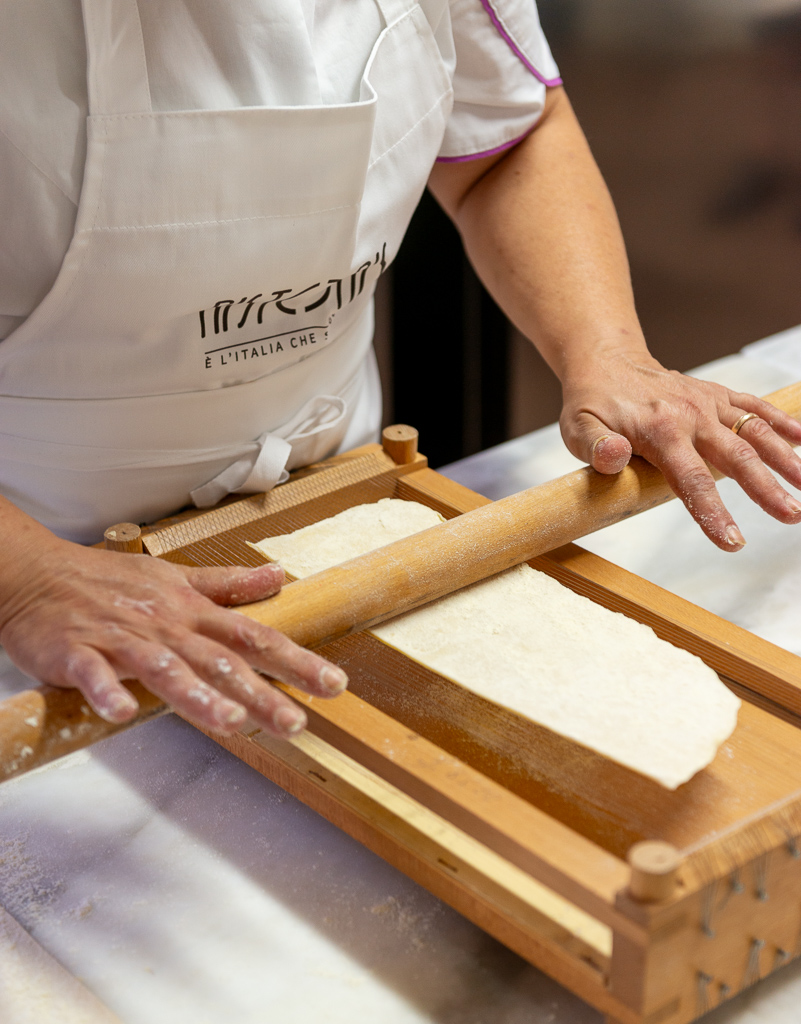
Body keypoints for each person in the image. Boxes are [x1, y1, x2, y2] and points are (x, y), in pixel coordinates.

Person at [2, 0, 800, 742]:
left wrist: (608, 352)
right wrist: (26, 582)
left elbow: (506, 136)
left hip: (338, 508)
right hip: (42, 592)